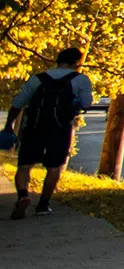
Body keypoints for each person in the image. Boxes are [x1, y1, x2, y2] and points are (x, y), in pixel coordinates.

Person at [10, 48, 94, 220]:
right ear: (76, 62)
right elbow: (86, 104)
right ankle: (43, 204)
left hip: (34, 126)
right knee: (54, 167)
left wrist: (8, 125)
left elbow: (18, 103)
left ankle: (23, 195)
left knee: (24, 165)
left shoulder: (38, 78)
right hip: (60, 128)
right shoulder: (80, 80)